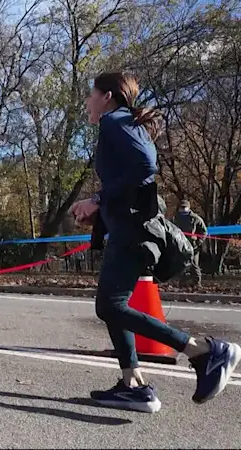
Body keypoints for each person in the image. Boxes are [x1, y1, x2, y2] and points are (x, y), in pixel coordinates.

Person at [69, 71, 239, 413]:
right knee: (114, 304)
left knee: (110, 306)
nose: (87, 101)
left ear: (107, 96)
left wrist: (98, 200)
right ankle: (133, 383)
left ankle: (203, 352)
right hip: (128, 231)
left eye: (91, 94)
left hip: (133, 233)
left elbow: (146, 166)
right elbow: (132, 178)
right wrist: (98, 209)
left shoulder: (114, 121)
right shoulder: (125, 122)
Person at [173, 199, 207, 288]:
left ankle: (197, 284)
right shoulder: (176, 218)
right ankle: (182, 283)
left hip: (193, 246)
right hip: (180, 245)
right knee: (182, 265)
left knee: (194, 265)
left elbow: (204, 232)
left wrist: (199, 242)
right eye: (181, 207)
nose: (183, 209)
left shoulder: (196, 218)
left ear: (188, 208)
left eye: (184, 207)